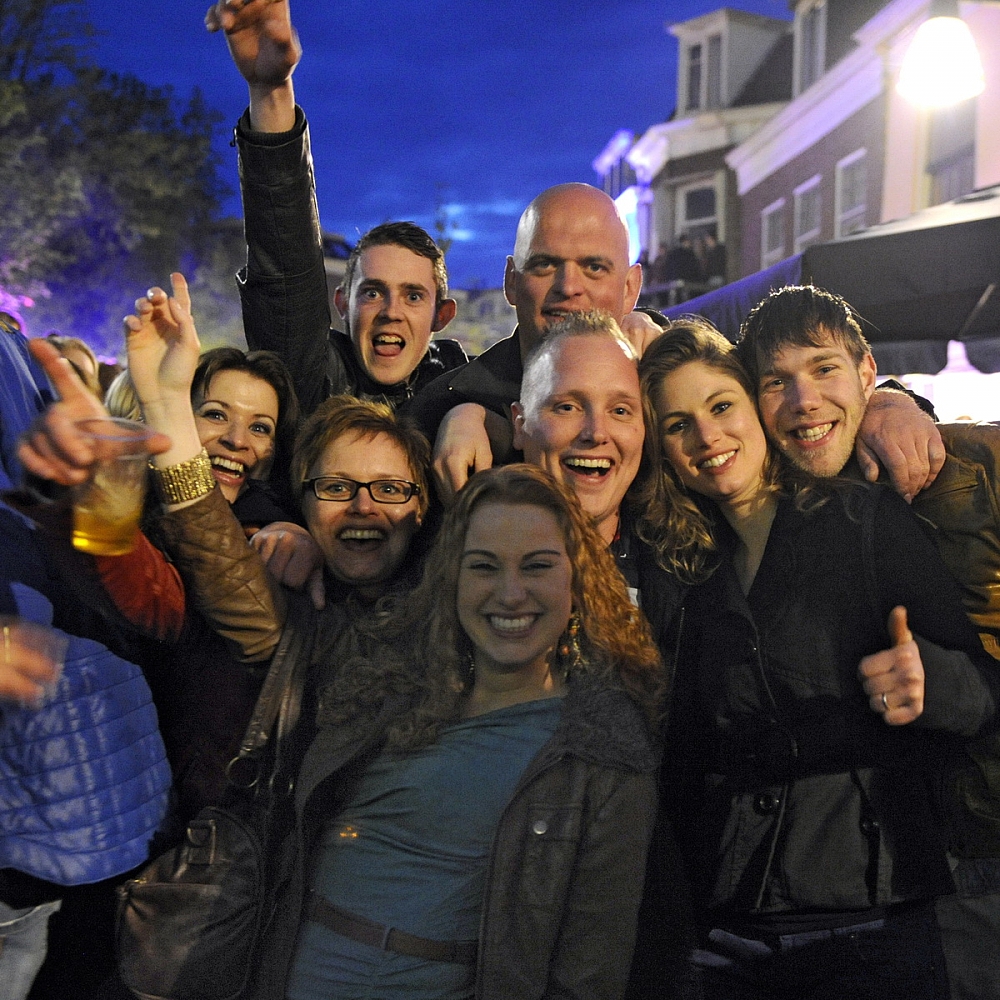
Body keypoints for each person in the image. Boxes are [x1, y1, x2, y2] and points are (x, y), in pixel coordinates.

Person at [635, 319, 1000, 999]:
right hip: (724, 929)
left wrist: (931, 681)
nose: (707, 437)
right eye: (678, 424)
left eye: (720, 408)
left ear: (754, 408)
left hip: (870, 920)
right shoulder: (677, 560)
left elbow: (985, 686)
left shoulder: (864, 521)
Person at [736, 283, 1000, 1000]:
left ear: (864, 370)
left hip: (944, 870)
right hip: (802, 900)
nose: (803, 399)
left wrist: (934, 682)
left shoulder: (959, 469)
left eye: (823, 369)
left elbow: (983, 679)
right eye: (775, 381)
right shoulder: (747, 514)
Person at [205, 0, 466, 417]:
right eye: (373, 292)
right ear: (342, 304)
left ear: (442, 316)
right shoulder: (313, 384)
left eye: (414, 295)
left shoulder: (471, 401)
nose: (391, 313)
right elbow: (286, 277)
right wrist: (270, 92)